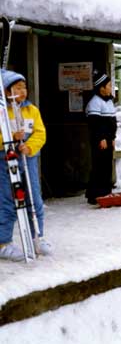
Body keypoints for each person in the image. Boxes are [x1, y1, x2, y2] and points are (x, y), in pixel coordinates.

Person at [0, 69, 52, 260]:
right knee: (6, 200)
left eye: (24, 87)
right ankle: (3, 243)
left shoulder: (32, 110)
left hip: (27, 159)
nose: (23, 91)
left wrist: (29, 147)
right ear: (6, 92)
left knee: (34, 199)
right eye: (17, 88)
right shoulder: (2, 111)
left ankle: (37, 237)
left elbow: (40, 133)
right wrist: (10, 138)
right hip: (4, 161)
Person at [85, 72, 117, 205]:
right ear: (101, 88)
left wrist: (113, 137)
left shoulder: (109, 101)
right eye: (109, 85)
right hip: (100, 139)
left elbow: (112, 122)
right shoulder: (95, 102)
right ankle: (94, 194)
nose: (111, 88)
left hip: (108, 139)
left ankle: (105, 191)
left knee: (107, 165)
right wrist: (101, 138)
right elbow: (95, 123)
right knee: (99, 166)